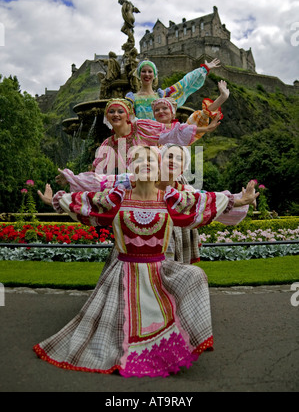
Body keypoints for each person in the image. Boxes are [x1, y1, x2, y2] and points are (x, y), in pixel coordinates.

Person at [34, 146, 258, 377]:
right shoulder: (115, 198)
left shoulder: (172, 200)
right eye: (139, 160)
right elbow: (85, 203)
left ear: (159, 166)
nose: (146, 165)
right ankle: (121, 353)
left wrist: (240, 200)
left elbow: (205, 201)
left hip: (158, 271)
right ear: (131, 167)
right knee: (115, 328)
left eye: (151, 160)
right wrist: (56, 201)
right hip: (123, 272)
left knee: (195, 275)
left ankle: (175, 345)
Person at [91, 97, 221, 174]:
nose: (115, 115)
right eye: (111, 112)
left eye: (120, 111)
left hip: (156, 181)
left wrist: (206, 128)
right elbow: (97, 170)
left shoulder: (141, 126)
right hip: (127, 187)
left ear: (128, 115)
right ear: (107, 117)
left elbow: (173, 132)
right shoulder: (108, 143)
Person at [125, 58, 221, 120]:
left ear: (154, 75)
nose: (147, 74)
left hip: (159, 140)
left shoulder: (162, 95)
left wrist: (204, 69)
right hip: (139, 142)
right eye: (143, 71)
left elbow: (183, 83)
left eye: (150, 71)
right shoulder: (131, 99)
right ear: (139, 74)